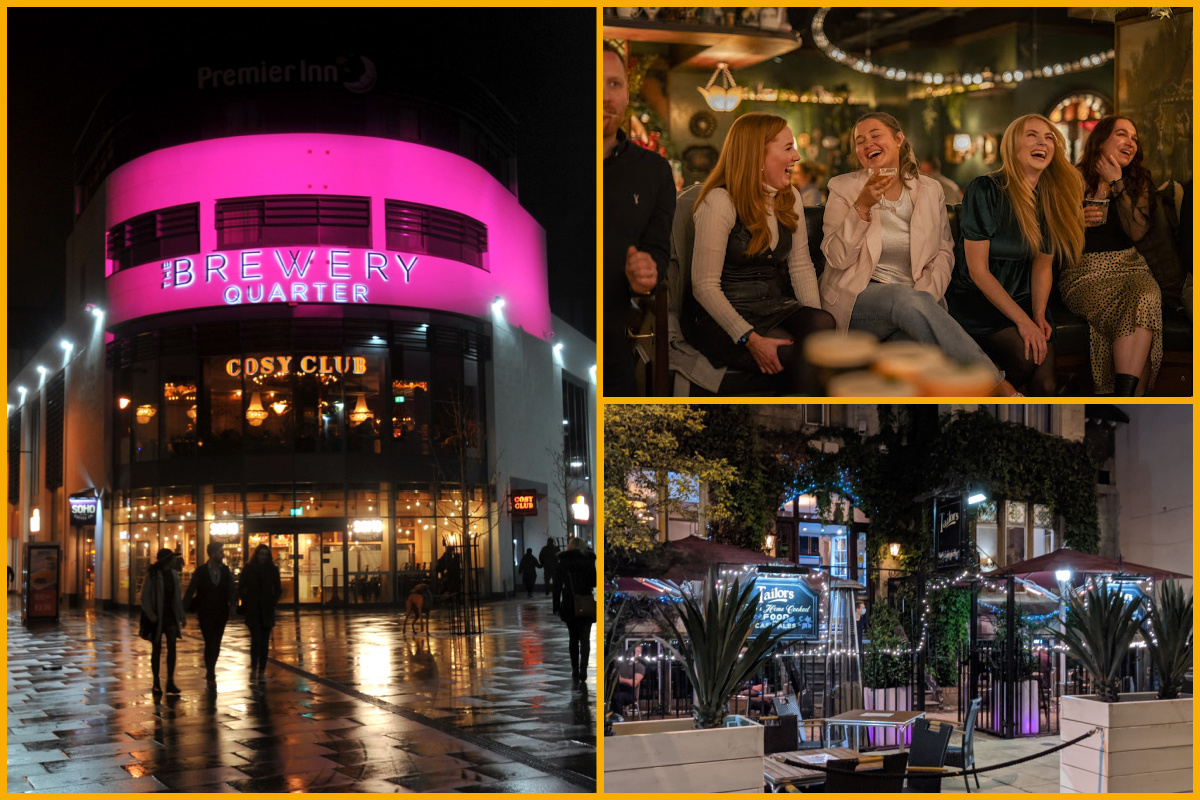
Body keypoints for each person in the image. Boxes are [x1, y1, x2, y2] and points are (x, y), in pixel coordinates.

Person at [821, 112, 1013, 395]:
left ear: (898, 140)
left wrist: (925, 295)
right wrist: (861, 207)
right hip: (859, 303)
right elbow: (837, 258)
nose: (867, 144)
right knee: (902, 298)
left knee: (909, 348)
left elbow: (944, 251)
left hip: (915, 305)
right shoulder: (844, 188)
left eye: (875, 135)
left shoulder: (930, 189)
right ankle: (996, 386)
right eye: (859, 141)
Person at [682, 112, 835, 393]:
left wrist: (815, 332)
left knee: (823, 324)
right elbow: (704, 287)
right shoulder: (720, 201)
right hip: (720, 315)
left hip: (773, 306)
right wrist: (749, 338)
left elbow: (800, 267)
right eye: (788, 148)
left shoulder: (791, 198)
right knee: (787, 352)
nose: (797, 157)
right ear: (757, 154)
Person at [946, 114, 1084, 396]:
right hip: (977, 298)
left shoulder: (1050, 198)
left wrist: (1037, 314)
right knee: (1025, 355)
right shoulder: (985, 189)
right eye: (1032, 135)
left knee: (1046, 384)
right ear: (1012, 145)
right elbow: (977, 271)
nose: (1042, 142)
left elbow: (1043, 266)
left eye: (1048, 138)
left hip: (1023, 297)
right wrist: (1022, 321)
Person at [1061, 116, 1161, 396]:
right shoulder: (1073, 177)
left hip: (1130, 267)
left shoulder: (1137, 180)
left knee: (1146, 297)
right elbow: (1049, 235)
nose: (1130, 142)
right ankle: (1128, 399)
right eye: (1122, 134)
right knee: (1131, 313)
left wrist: (1117, 183)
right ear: (1101, 140)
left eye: (1134, 138)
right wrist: (1075, 221)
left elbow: (1137, 232)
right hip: (1083, 271)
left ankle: (1123, 396)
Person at [603, 41, 676, 396]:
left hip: (615, 344)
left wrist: (648, 272)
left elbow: (658, 251)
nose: (604, 97)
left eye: (614, 84)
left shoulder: (653, 172)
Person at [183, 542, 236, 688]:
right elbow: (191, 590)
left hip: (221, 612)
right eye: (220, 552)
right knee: (210, 642)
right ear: (213, 554)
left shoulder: (225, 570)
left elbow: (231, 588)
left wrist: (233, 604)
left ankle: (210, 669)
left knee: (217, 643)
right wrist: (183, 609)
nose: (223, 554)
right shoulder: (200, 572)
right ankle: (211, 673)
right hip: (205, 611)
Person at [553, 537, 596, 690]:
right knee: (585, 638)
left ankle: (575, 670)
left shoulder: (563, 562)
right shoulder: (589, 561)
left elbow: (556, 586)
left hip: (569, 603)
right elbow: (594, 582)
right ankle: (584, 668)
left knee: (573, 638)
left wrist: (556, 607)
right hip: (585, 602)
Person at [141, 547, 185, 694]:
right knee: (156, 649)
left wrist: (181, 616)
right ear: (167, 560)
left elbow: (177, 598)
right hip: (157, 618)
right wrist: (151, 614)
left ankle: (170, 681)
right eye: (173, 558)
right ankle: (156, 681)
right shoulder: (153, 575)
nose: (175, 561)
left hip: (170, 616)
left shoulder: (173, 575)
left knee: (172, 647)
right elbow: (144, 596)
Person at [238, 543, 282, 681]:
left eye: (265, 555)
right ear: (256, 555)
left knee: (264, 642)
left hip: (266, 609)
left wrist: (272, 602)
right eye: (261, 554)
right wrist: (246, 601)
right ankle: (254, 668)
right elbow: (241, 587)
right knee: (256, 640)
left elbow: (278, 588)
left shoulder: (272, 570)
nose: (262, 557)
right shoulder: (249, 569)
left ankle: (261, 670)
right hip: (254, 609)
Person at [538, 537, 560, 607]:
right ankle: (554, 591)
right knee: (554, 580)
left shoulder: (544, 549)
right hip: (554, 567)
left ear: (548, 541)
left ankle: (547, 591)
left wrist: (542, 563)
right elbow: (559, 556)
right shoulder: (556, 548)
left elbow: (540, 556)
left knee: (547, 580)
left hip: (547, 567)